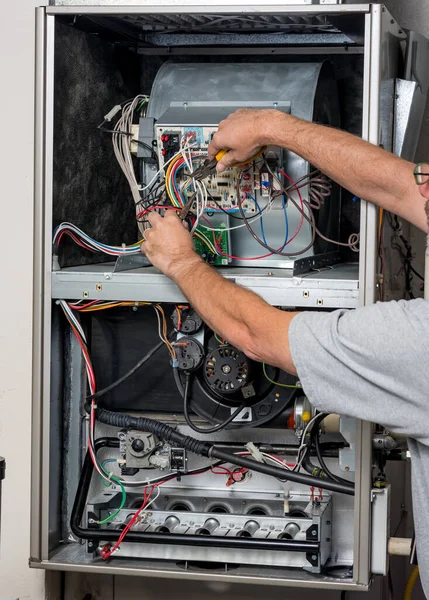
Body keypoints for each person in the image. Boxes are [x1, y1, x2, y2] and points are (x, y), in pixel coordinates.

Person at [141, 108, 429, 596]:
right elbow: (402, 187)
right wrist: (271, 126)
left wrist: (181, 262)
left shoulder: (416, 345)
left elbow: (258, 336)